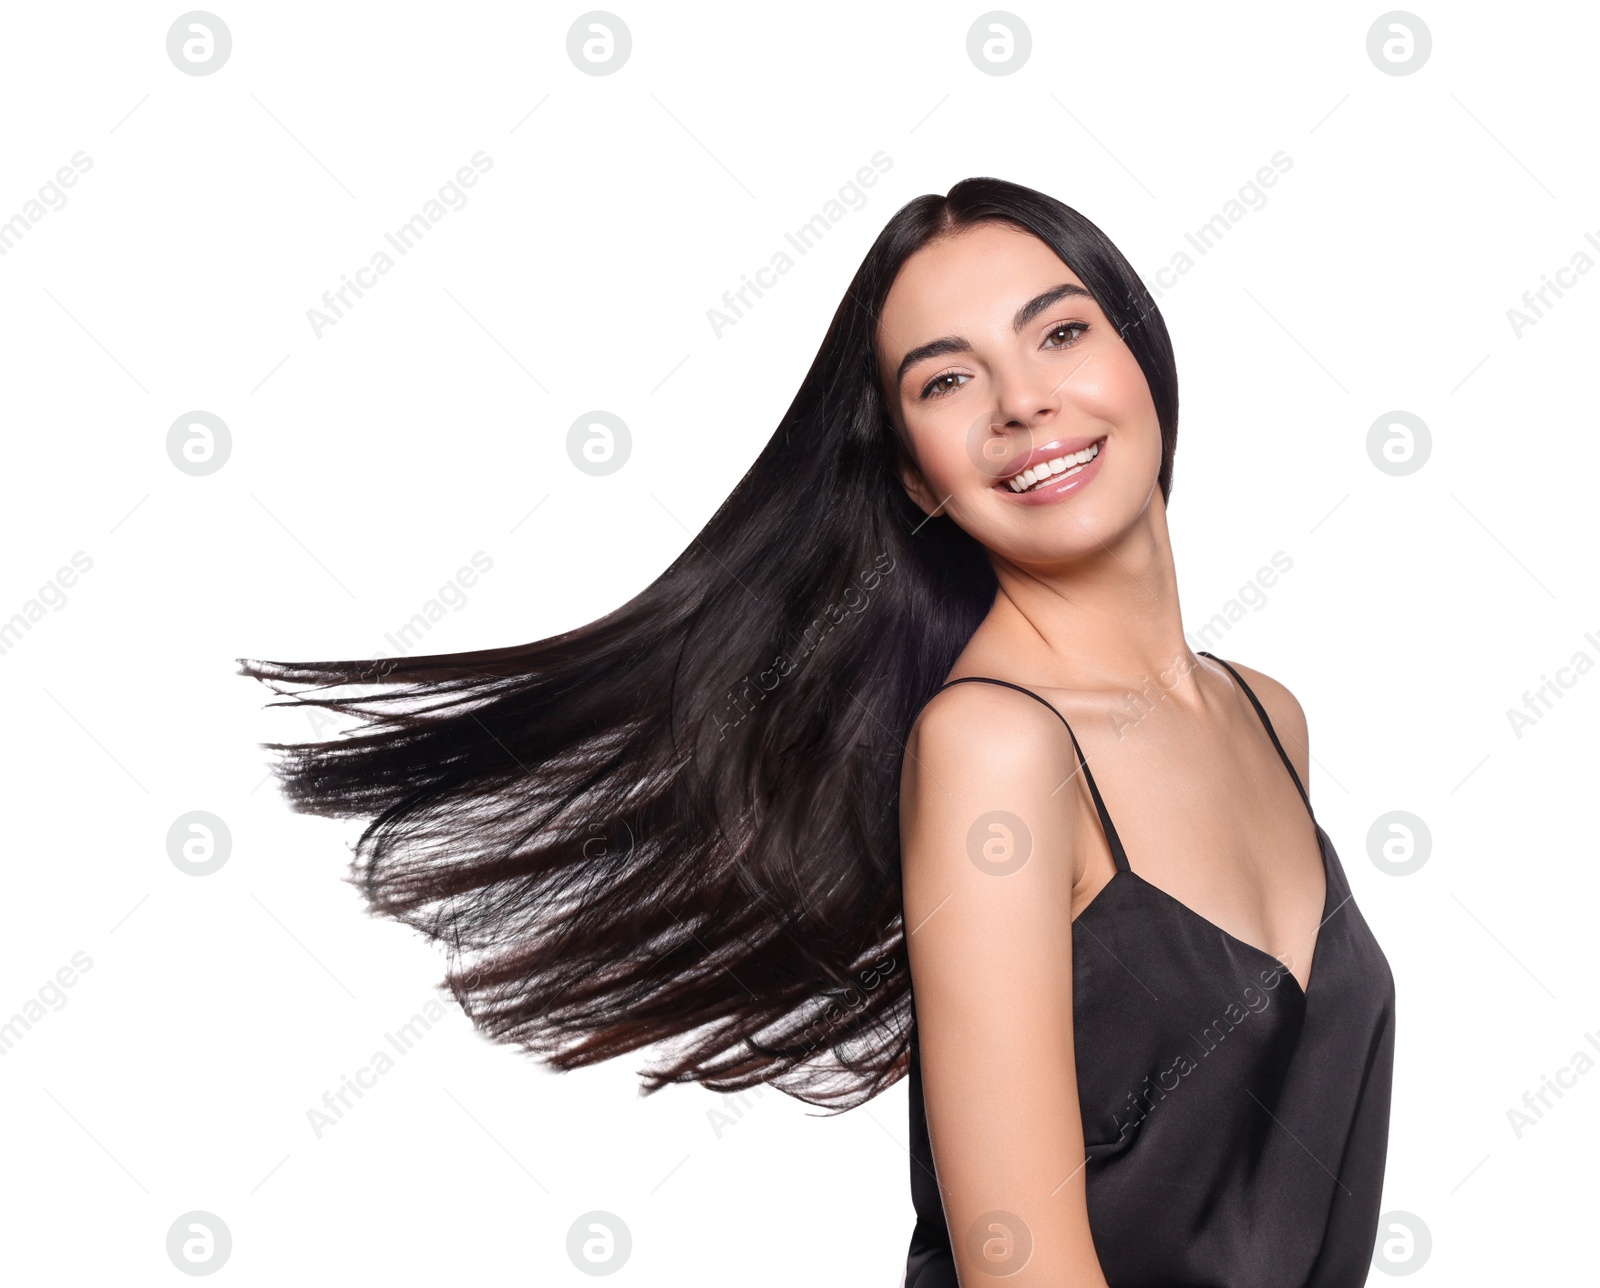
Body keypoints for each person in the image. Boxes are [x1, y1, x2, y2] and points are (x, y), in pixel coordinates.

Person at [240, 177, 1393, 1285]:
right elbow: (1019, 1263)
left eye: (1059, 334)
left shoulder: (1264, 715)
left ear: (1142, 355)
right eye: (947, 382)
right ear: (913, 473)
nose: (1022, 402)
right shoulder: (995, 750)